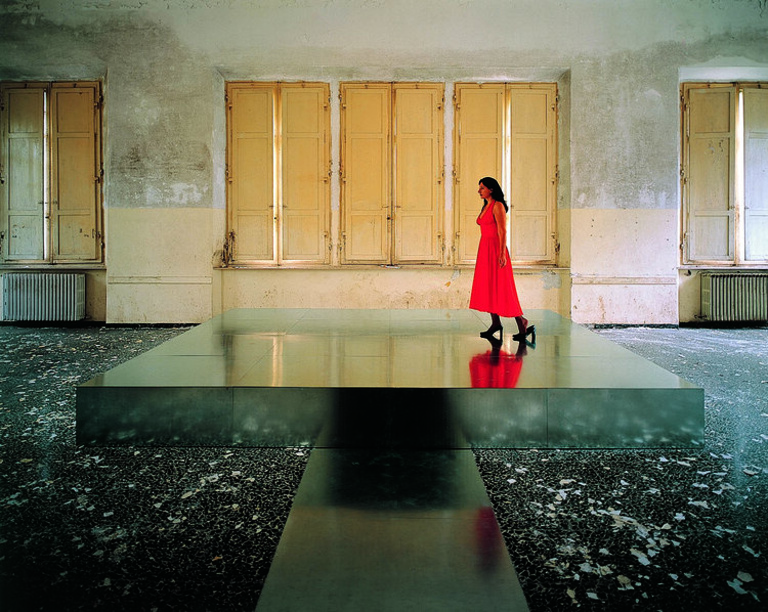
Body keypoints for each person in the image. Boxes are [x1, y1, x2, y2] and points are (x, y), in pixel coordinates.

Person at [469, 177, 534, 342]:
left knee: (503, 287)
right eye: (479, 188)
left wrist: (502, 254)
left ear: (491, 189)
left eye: (482, 188)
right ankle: (495, 323)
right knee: (488, 285)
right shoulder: (486, 205)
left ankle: (521, 321)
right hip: (484, 249)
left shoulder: (497, 205)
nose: (479, 191)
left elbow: (503, 231)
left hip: (496, 249)